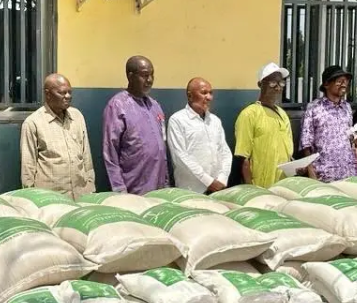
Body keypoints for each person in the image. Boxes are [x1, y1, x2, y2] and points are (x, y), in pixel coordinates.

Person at [19, 72, 95, 199]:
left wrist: (90, 187)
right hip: (51, 200)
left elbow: (86, 156)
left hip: (81, 196)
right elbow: (28, 167)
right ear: (48, 94)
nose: (68, 96)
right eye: (62, 92)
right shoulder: (33, 123)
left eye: (70, 92)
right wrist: (32, 198)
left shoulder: (77, 117)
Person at [102, 55, 169, 194]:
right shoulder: (117, 106)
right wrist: (120, 190)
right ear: (130, 76)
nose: (149, 80)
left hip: (159, 187)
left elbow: (161, 148)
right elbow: (110, 152)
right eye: (144, 75)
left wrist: (166, 182)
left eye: (151, 75)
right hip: (133, 188)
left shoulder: (155, 105)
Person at [299, 65, 357, 183]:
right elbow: (306, 145)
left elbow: (351, 141)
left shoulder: (347, 107)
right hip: (324, 177)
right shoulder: (314, 108)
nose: (344, 84)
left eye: (346, 81)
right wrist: (312, 176)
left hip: (349, 174)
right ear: (326, 84)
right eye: (339, 81)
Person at [234, 63, 295, 188]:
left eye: (281, 83)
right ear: (260, 84)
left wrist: (296, 168)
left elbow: (288, 153)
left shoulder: (283, 115)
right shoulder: (249, 114)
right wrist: (251, 190)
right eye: (273, 83)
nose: (278, 87)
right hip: (261, 187)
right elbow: (243, 158)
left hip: (284, 186)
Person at [168, 77, 232, 194]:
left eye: (210, 93)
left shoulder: (215, 121)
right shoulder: (177, 120)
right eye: (204, 93)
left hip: (217, 189)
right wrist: (208, 181)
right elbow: (180, 157)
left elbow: (225, 151)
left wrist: (222, 178)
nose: (209, 97)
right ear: (190, 95)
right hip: (191, 191)